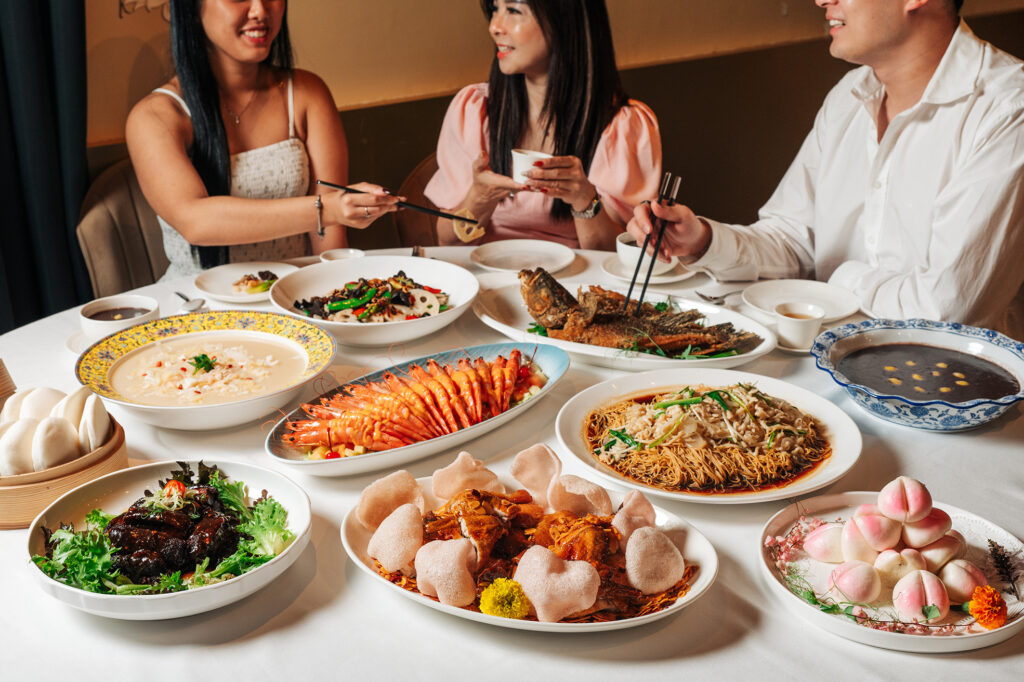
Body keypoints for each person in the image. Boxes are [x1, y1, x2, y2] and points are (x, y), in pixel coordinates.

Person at [627, 0, 1024, 339]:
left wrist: (838, 277)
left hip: (950, 399)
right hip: (828, 362)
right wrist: (702, 241)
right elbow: (794, 241)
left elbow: (947, 308)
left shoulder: (1008, 108)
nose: (820, 0)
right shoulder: (848, 96)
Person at [126, 0, 399, 280]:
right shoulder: (156, 116)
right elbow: (196, 222)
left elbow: (328, 244)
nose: (260, 10)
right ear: (192, 10)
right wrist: (327, 208)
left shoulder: (306, 93)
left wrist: (335, 301)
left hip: (295, 295)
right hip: (200, 307)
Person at [425, 0, 662, 250]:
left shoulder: (622, 126)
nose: (494, 27)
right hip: (486, 280)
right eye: (495, 9)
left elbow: (614, 257)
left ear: (565, 22)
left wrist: (584, 199)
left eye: (514, 10)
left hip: (577, 284)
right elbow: (447, 243)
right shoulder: (474, 111)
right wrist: (479, 199)